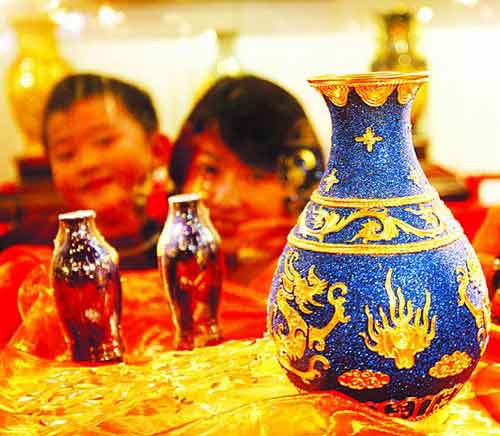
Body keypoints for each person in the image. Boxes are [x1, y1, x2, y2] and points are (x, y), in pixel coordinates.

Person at [1, 73, 172, 269]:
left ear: (157, 150)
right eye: (66, 154)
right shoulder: (26, 252)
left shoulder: (181, 241)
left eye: (105, 141)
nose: (86, 164)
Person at [171, 75, 324, 284]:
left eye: (256, 176)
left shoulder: (322, 283)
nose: (226, 200)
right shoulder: (153, 274)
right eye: (210, 169)